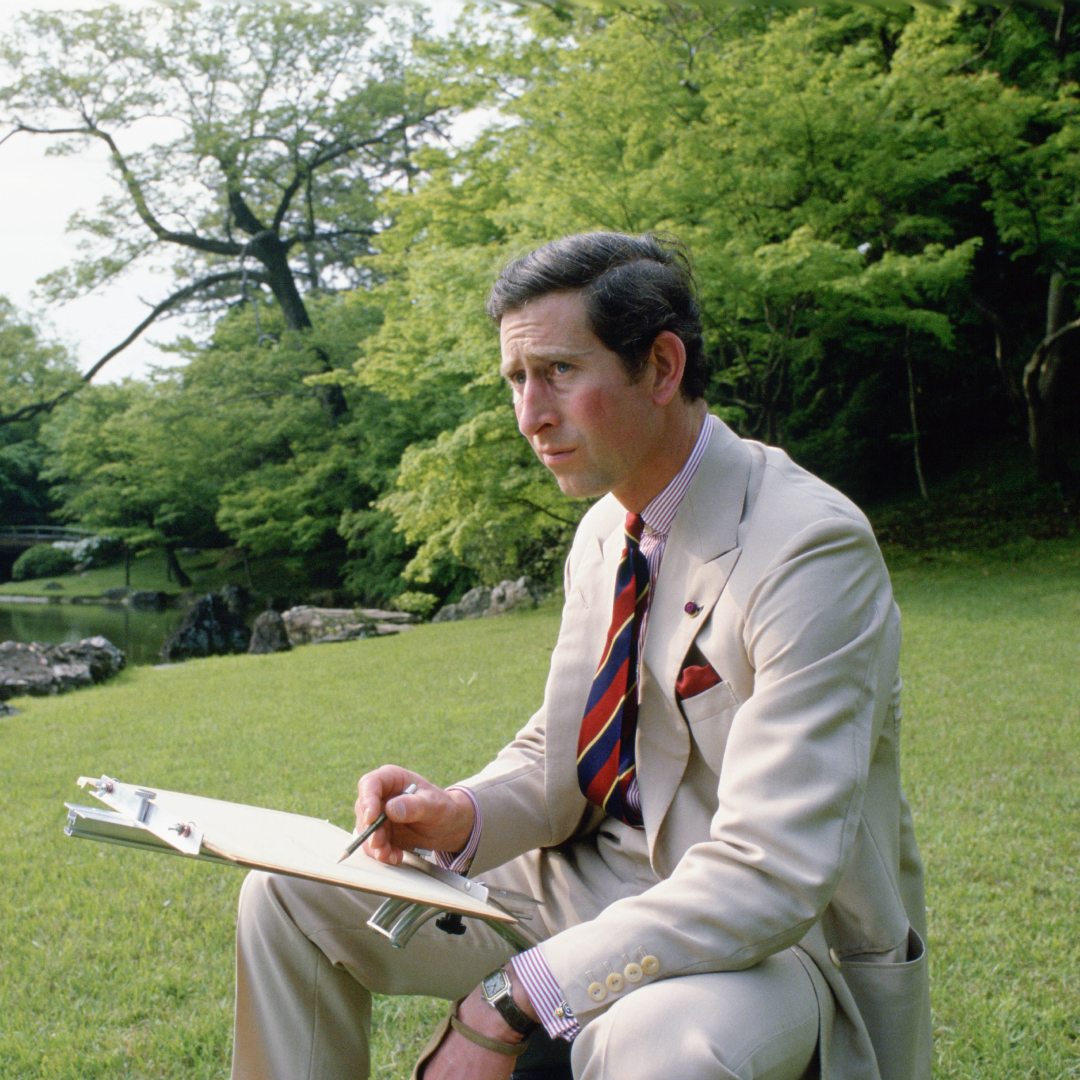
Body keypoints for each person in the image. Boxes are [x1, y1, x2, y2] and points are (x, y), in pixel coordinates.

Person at [231, 232, 931, 1080]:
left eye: (559, 371)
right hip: (581, 883)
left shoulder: (810, 550)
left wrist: (511, 997)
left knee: (656, 1044)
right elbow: (568, 747)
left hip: (768, 942)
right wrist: (460, 812)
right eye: (517, 380)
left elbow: (772, 871)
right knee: (286, 893)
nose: (530, 415)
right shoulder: (605, 529)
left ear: (662, 367)